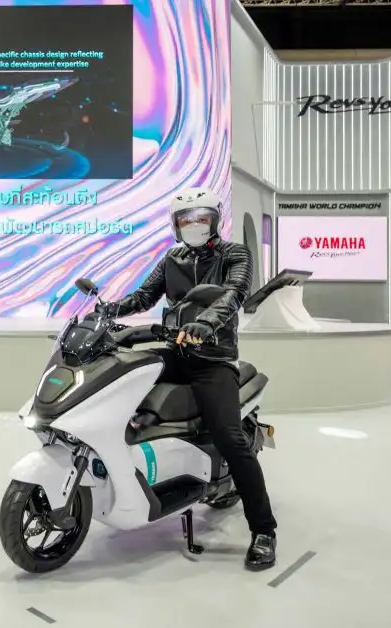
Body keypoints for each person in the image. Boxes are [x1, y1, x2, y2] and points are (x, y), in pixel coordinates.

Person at [99, 187, 277, 571]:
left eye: (201, 218)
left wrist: (206, 323)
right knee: (118, 379)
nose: (194, 224)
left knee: (230, 438)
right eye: (186, 219)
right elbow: (145, 296)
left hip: (213, 360)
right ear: (176, 225)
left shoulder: (235, 254)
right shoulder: (172, 258)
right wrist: (108, 310)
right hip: (176, 352)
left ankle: (264, 530)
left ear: (215, 220)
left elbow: (233, 293)